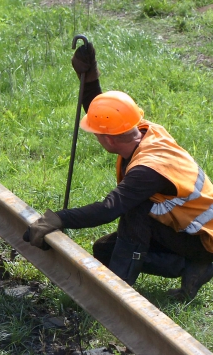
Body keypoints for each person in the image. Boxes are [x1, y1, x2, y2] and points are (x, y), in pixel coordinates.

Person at [25, 42, 213, 301]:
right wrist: (89, 77)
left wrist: (57, 218)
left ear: (109, 140)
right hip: (185, 231)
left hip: (204, 241)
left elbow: (108, 209)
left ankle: (115, 296)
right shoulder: (145, 130)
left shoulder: (149, 170)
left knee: (135, 209)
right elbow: (109, 117)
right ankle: (187, 266)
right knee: (104, 251)